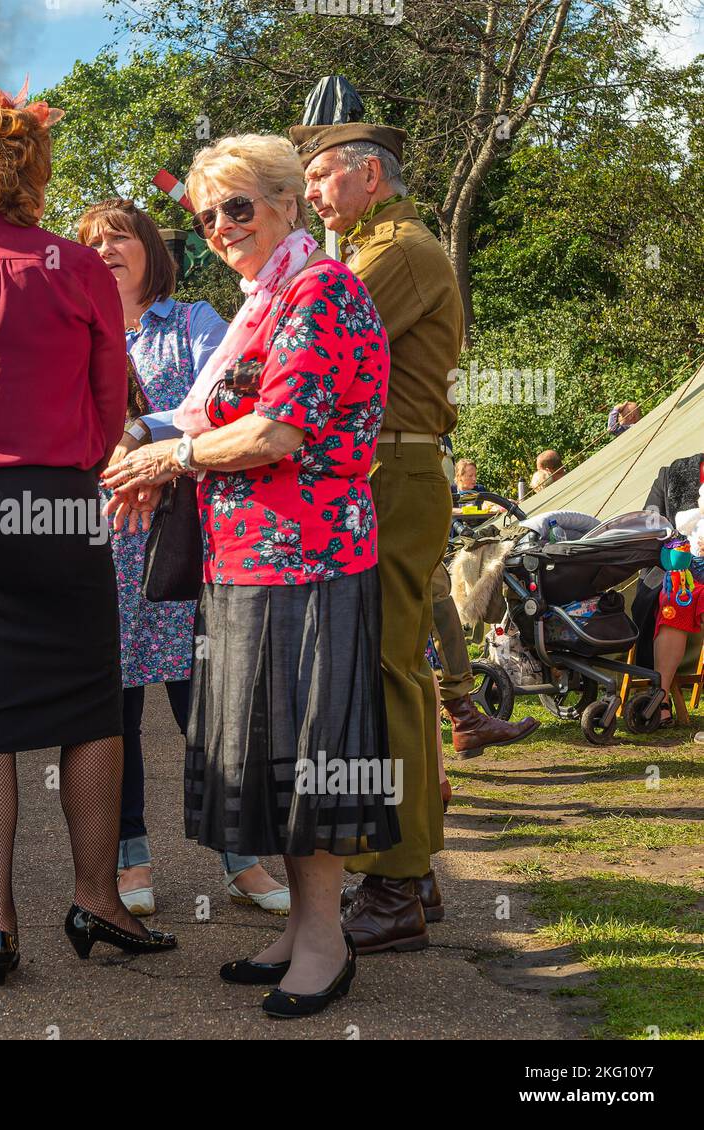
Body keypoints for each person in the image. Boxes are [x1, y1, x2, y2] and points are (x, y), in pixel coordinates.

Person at [103, 131, 395, 1018]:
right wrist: (149, 441)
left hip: (311, 562)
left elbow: (276, 433)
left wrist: (172, 457)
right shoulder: (262, 302)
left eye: (239, 206)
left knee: (313, 759)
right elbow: (204, 410)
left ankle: (325, 943)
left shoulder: (321, 290)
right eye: (206, 216)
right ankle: (304, 930)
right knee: (275, 758)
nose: (222, 226)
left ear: (288, 204)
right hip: (249, 563)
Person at [0, 81, 177, 984]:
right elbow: (107, 411)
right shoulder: (77, 267)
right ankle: (96, 902)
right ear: (35, 172)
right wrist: (70, 462)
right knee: (92, 705)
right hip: (53, 501)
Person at [78, 197, 290, 917]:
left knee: (211, 704)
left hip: (184, 536)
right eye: (91, 241)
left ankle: (242, 857)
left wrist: (142, 438)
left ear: (149, 249)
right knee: (116, 712)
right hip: (102, 539)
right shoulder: (74, 332)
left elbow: (228, 403)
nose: (104, 249)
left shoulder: (197, 321)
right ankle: (130, 860)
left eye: (119, 237)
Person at [292, 121, 460, 949]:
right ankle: (411, 871)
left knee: (389, 671)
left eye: (321, 176)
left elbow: (313, 348)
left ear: (368, 174)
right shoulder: (390, 245)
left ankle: (394, 886)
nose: (315, 192)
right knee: (395, 670)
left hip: (391, 472)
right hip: (390, 470)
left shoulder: (395, 251)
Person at [629, 451, 704, 724]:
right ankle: (659, 696)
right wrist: (678, 544)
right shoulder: (672, 476)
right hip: (679, 571)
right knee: (672, 602)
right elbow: (650, 526)